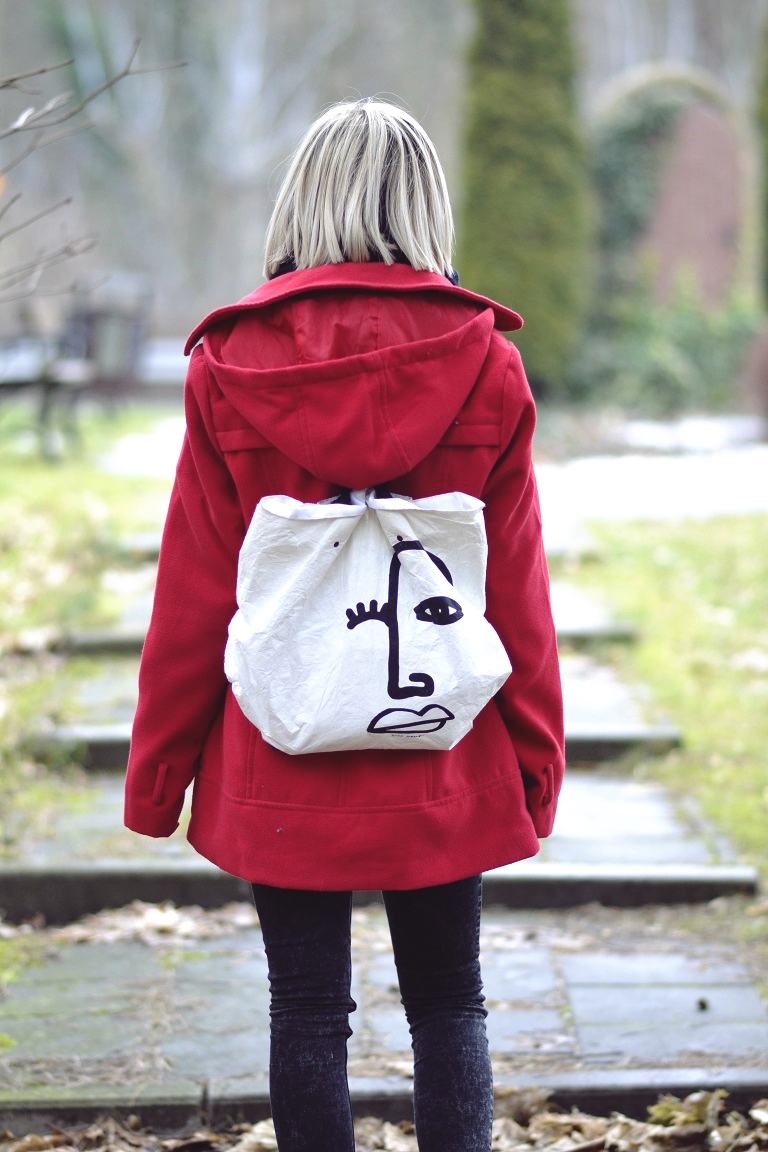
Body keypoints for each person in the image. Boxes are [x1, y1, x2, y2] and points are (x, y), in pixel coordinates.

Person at [124, 99, 564, 1152]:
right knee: (450, 1003)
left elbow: (195, 588)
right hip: (441, 741)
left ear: (302, 200)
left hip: (279, 741)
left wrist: (159, 774)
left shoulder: (228, 364)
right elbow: (516, 587)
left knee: (306, 1007)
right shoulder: (486, 362)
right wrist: (537, 757)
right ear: (425, 205)